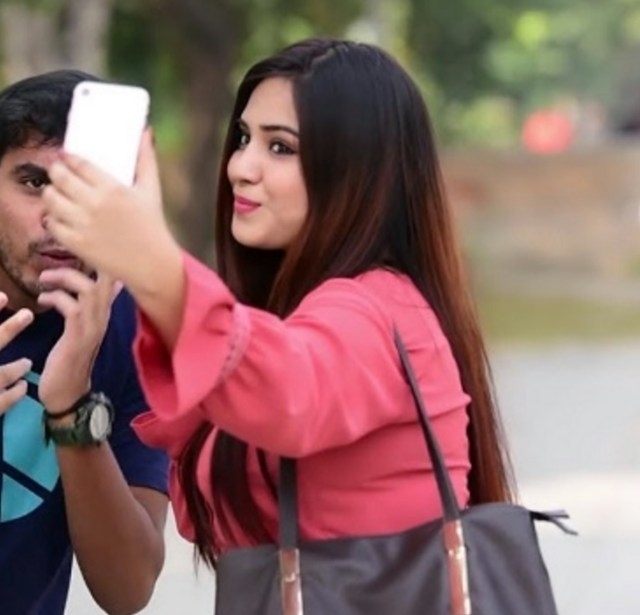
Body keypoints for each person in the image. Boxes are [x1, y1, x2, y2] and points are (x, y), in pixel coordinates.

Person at [42, 38, 514, 578]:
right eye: (244, 138)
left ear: (358, 172)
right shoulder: (307, 312)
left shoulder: (374, 311)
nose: (241, 167)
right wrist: (72, 399)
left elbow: (288, 392)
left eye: (281, 147)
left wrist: (154, 263)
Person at [0, 70, 169, 614]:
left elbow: (128, 589)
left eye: (85, 186)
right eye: (34, 182)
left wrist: (72, 409)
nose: (58, 215)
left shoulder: (132, 330)